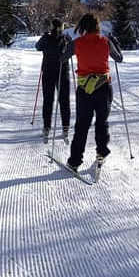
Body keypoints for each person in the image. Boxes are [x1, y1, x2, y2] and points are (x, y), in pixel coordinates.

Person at [60, 12, 123, 170]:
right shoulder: (106, 41)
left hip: (85, 89)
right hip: (104, 87)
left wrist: (66, 45)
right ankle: (101, 153)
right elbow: (119, 58)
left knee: (82, 125)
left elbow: (62, 59)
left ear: (83, 26)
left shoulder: (77, 43)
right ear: (97, 26)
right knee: (102, 122)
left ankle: (74, 161)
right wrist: (115, 42)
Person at [35, 18, 71, 143]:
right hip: (62, 72)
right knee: (64, 100)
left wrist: (45, 36)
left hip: (48, 72)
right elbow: (72, 51)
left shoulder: (47, 38)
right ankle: (65, 127)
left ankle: (47, 127)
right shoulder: (65, 39)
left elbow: (38, 47)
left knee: (48, 100)